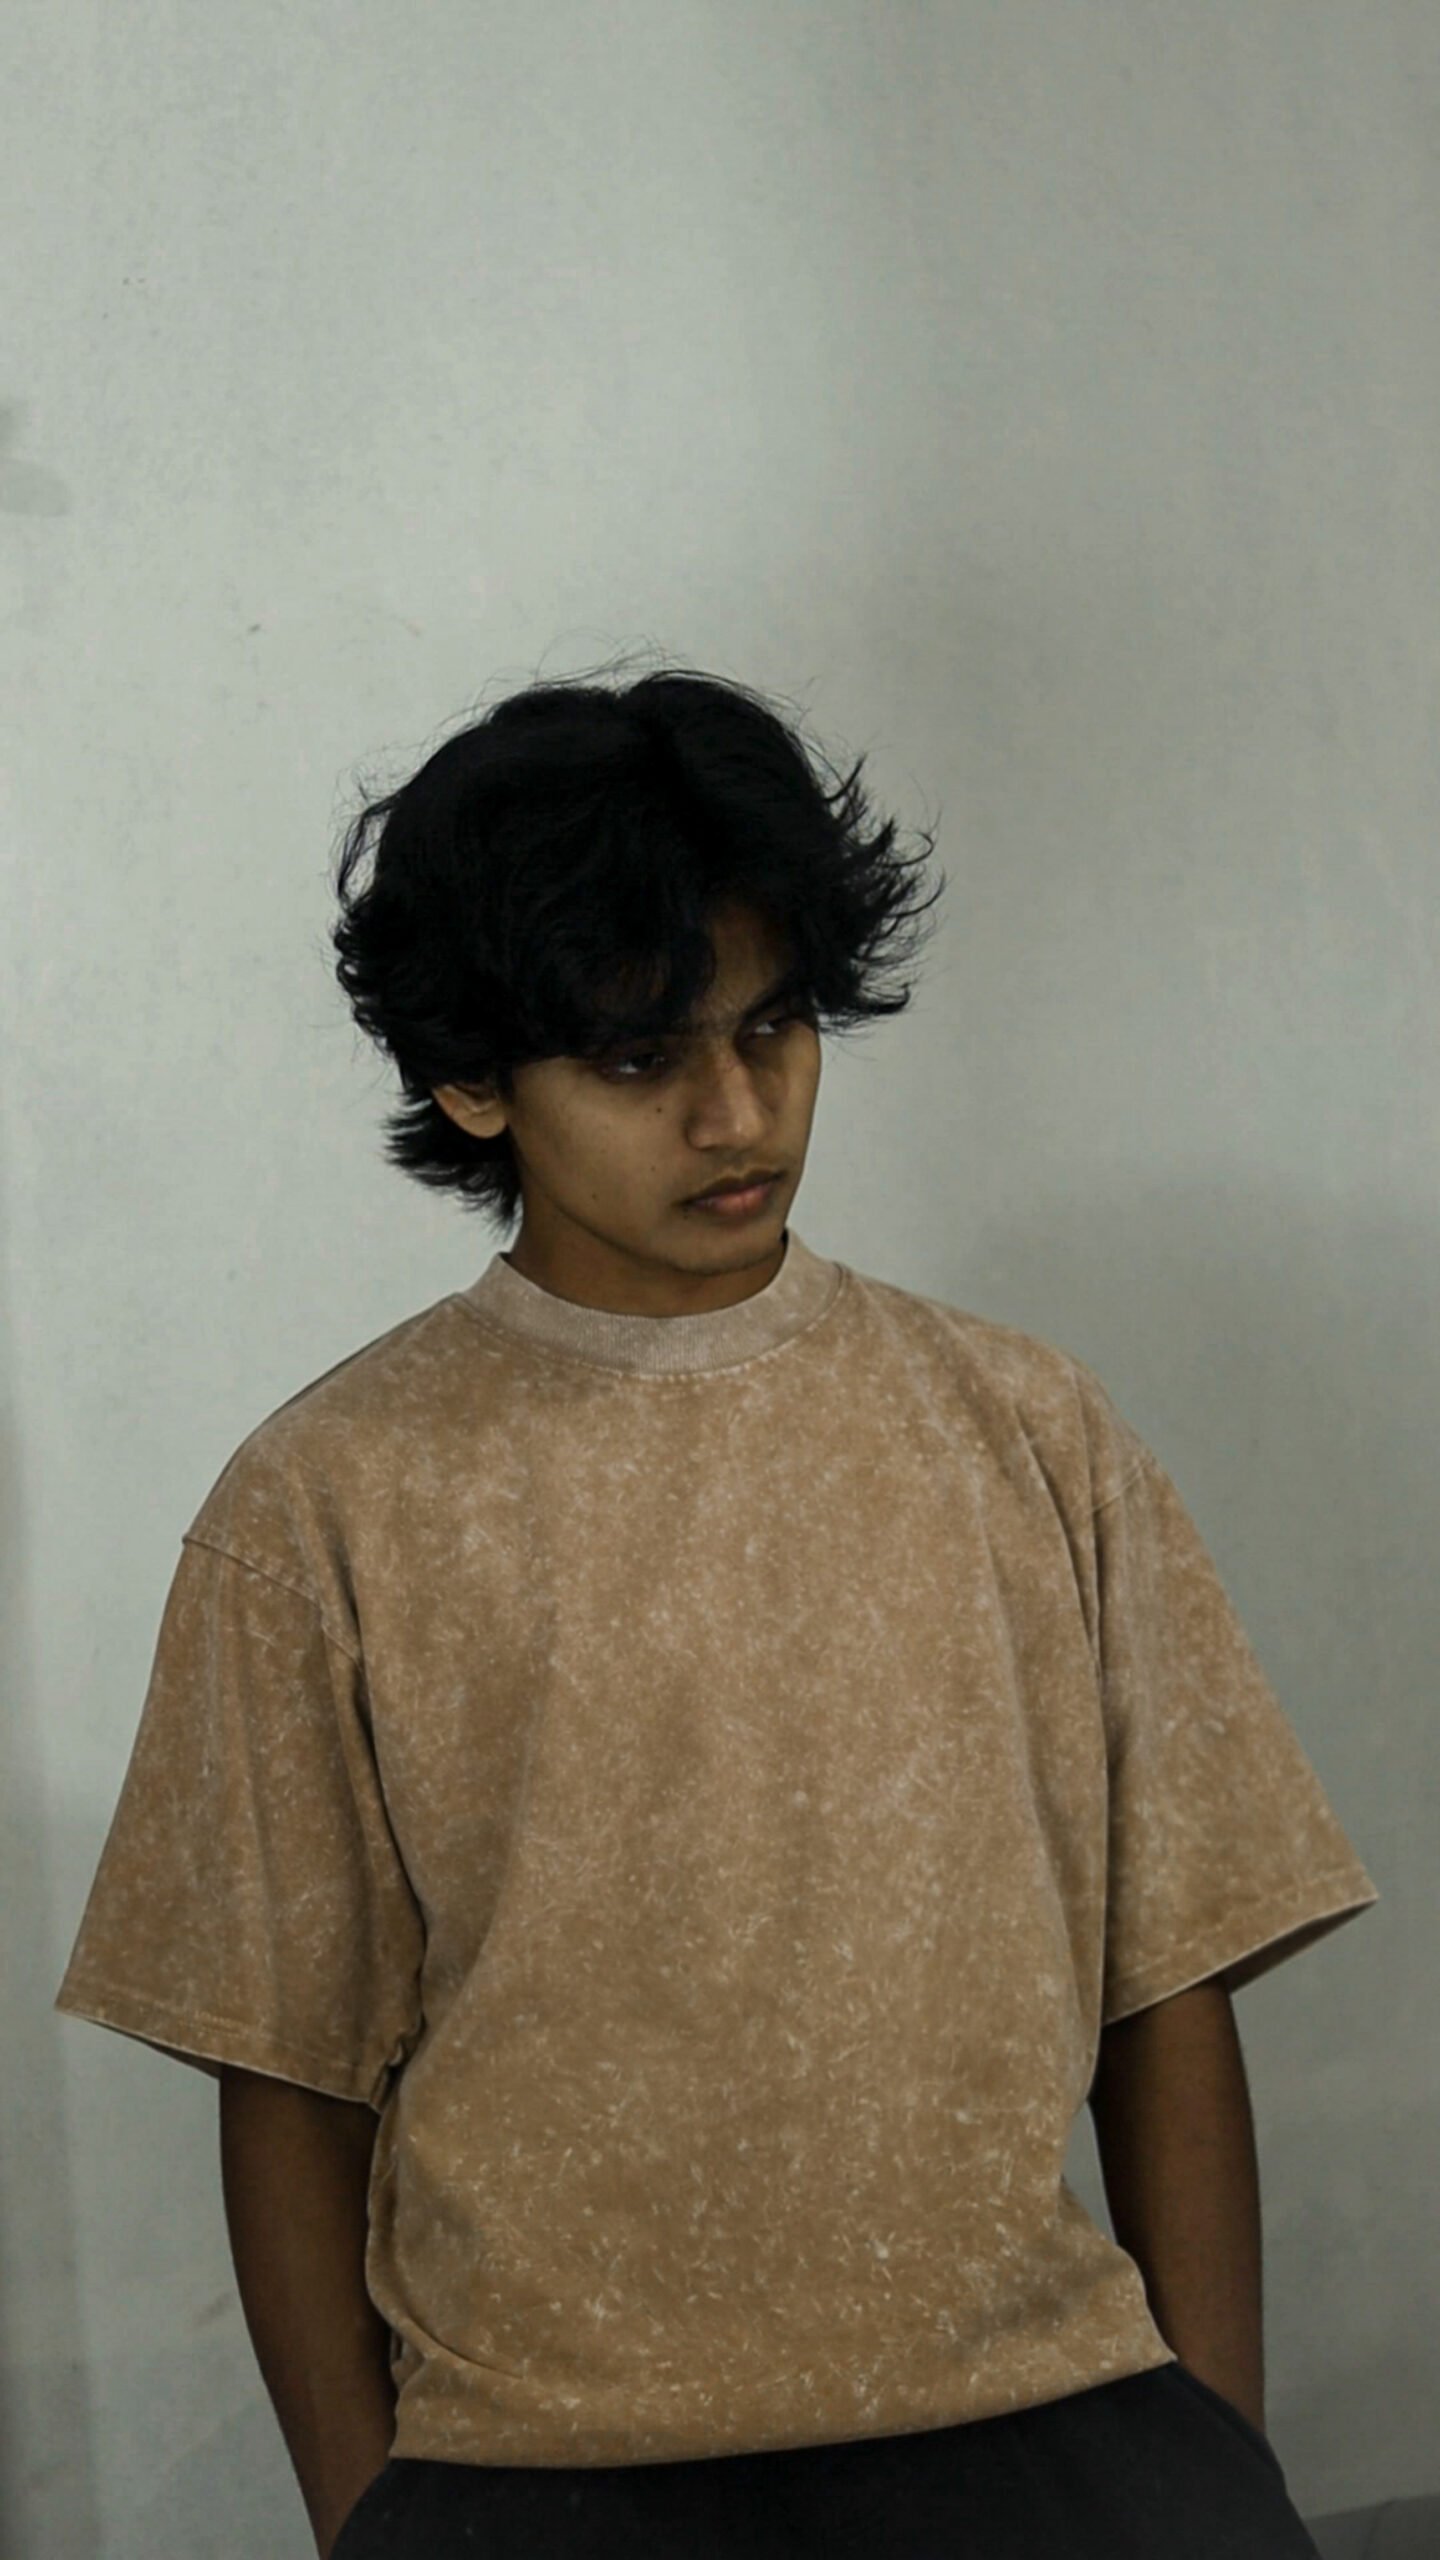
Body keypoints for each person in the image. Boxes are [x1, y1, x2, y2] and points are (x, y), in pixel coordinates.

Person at [55, 664, 1378, 2557]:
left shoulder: (1030, 1432)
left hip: (1054, 2438)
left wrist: (1217, 2464)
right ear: (472, 1079)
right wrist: (375, 2529)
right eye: (636, 1059)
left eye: (774, 1026)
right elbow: (286, 2081)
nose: (737, 1111)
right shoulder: (327, 1505)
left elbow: (1169, 1987)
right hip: (537, 2480)